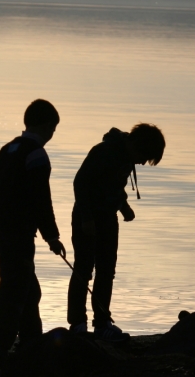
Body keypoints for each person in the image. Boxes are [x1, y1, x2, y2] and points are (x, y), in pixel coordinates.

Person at [0, 99, 67, 374]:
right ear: (44, 126)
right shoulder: (37, 155)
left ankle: (30, 345)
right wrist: (52, 236)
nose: (53, 134)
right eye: (53, 128)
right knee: (13, 292)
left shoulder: (8, 149)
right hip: (19, 233)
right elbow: (42, 200)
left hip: (2, 230)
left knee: (29, 290)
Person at [67, 123, 165, 342]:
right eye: (143, 156)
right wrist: (86, 218)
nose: (141, 162)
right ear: (136, 144)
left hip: (108, 217)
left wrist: (124, 207)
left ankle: (102, 324)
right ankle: (77, 323)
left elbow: (113, 185)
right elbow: (80, 182)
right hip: (87, 217)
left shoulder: (126, 157)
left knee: (106, 270)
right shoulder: (103, 152)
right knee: (83, 269)